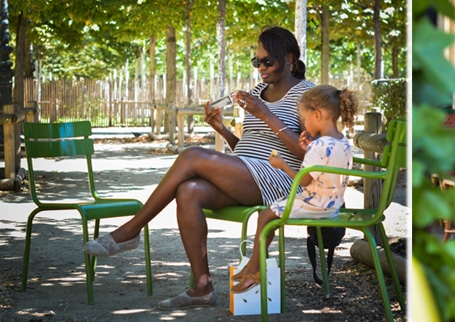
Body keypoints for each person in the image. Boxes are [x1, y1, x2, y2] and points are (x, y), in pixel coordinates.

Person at [83, 26, 315, 310]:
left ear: (290, 58)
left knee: (192, 155)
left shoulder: (308, 96)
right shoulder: (258, 91)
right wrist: (221, 129)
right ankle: (201, 287)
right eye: (257, 61)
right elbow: (249, 146)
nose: (261, 68)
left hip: (280, 179)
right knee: (189, 190)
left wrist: (265, 114)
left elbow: (308, 154)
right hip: (247, 171)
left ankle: (131, 230)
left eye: (268, 61)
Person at [229, 84, 357, 294]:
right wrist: (309, 151)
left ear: (317, 115)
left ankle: (254, 268)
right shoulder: (342, 143)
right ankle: (254, 267)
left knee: (265, 216)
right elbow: (327, 170)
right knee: (272, 216)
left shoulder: (319, 145)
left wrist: (282, 165)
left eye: (305, 118)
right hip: (333, 206)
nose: (304, 124)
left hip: (314, 203)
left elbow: (304, 181)